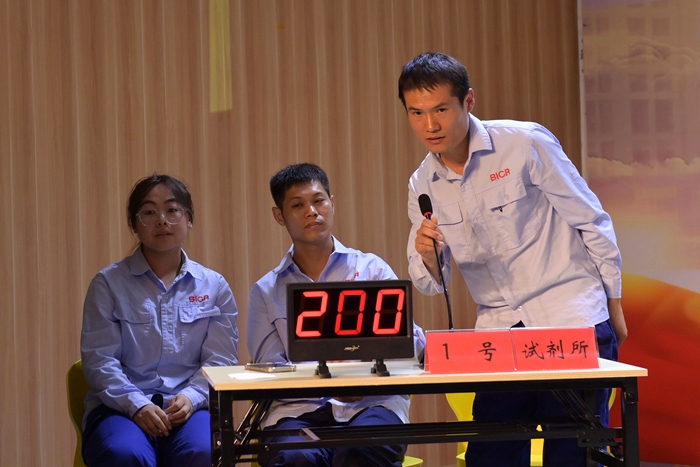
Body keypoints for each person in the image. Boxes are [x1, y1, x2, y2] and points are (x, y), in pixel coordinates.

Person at [398, 52, 628, 466]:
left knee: (573, 456)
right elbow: (431, 284)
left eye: (440, 110)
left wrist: (613, 305)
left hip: (569, 317)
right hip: (501, 332)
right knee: (491, 455)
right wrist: (427, 254)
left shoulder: (524, 143)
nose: (429, 125)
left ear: (468, 101)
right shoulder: (423, 184)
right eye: (416, 113)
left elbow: (591, 221)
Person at [247, 163, 426, 467]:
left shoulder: (372, 270)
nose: (312, 212)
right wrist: (329, 383)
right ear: (280, 215)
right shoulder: (266, 290)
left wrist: (362, 379)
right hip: (297, 411)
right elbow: (271, 369)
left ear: (332, 203)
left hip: (373, 404)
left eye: (319, 201)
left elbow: (408, 345)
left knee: (360, 452)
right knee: (296, 458)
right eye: (297, 205)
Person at [80, 174, 239, 467]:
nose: (162, 220)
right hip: (121, 409)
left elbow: (221, 360)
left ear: (189, 219)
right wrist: (136, 405)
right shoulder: (108, 284)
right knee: (124, 453)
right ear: (134, 224)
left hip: (190, 408)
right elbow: (100, 361)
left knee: (204, 452)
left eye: (172, 210)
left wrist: (191, 397)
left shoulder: (214, 286)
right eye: (149, 212)